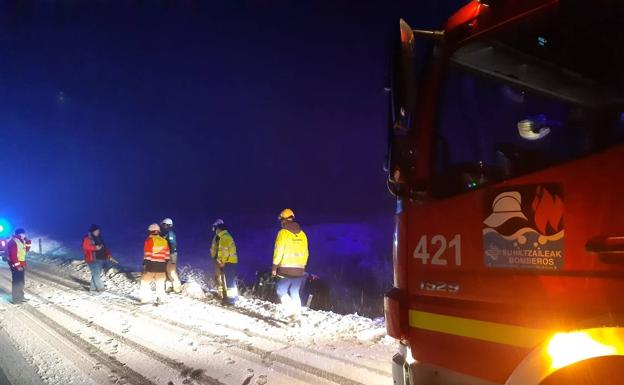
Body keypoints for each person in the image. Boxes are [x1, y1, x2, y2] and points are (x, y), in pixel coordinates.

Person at [272, 209, 309, 322]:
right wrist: (302, 267)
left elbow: (279, 250)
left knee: (280, 290)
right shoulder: (303, 234)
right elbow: (307, 253)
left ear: (283, 220)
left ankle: (292, 312)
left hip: (286, 269)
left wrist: (274, 266)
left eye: (281, 220)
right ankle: (297, 314)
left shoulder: (283, 233)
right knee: (294, 291)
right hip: (300, 269)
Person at [140, 223, 170, 305]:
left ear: (150, 231)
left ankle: (145, 299)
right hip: (162, 266)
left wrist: (145, 265)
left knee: (144, 281)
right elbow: (167, 256)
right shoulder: (164, 241)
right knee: (160, 283)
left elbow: (148, 254)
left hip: (151, 265)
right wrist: (164, 264)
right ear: (158, 231)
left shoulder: (149, 240)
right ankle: (161, 299)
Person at [210, 219, 238, 305]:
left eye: (215, 227)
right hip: (223, 261)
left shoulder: (224, 237)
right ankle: (224, 296)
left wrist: (221, 262)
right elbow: (215, 249)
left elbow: (224, 252)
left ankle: (231, 300)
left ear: (217, 227)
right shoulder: (219, 237)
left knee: (229, 281)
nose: (214, 230)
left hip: (228, 262)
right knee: (222, 279)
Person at [82, 224, 113, 292]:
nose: (97, 232)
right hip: (91, 259)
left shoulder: (99, 239)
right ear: (92, 231)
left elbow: (104, 248)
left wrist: (108, 254)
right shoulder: (87, 238)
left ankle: (92, 289)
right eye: (96, 231)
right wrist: (95, 248)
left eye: (98, 231)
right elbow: (85, 247)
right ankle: (100, 288)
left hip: (100, 259)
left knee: (96, 274)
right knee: (96, 274)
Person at [6, 228, 31, 304]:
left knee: (21, 282)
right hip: (16, 265)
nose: (24, 235)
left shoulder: (21, 241)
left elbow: (26, 250)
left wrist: (28, 241)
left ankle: (21, 296)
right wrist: (18, 266)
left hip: (21, 263)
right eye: (23, 233)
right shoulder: (13, 241)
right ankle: (16, 299)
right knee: (17, 282)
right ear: (19, 234)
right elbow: (13, 256)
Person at [160, 218, 181, 294]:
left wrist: (171, 256)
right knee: (166, 271)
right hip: (166, 255)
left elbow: (173, 245)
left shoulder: (170, 233)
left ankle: (177, 288)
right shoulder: (164, 234)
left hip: (171, 254)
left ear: (167, 225)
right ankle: (168, 287)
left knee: (171, 271)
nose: (162, 226)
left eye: (163, 224)